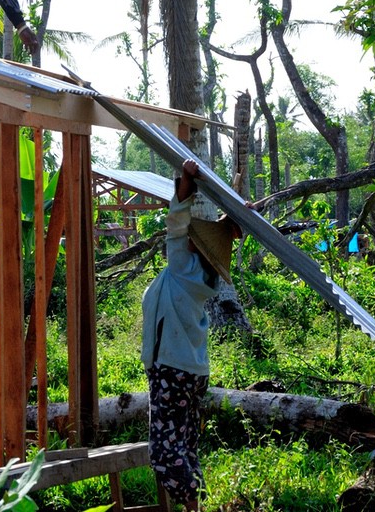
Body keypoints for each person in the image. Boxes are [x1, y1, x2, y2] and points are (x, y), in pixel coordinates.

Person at [141, 159, 242, 510]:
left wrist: (187, 180)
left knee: (164, 452)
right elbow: (179, 226)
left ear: (198, 246)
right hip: (191, 371)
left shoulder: (182, 266)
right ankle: (194, 502)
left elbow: (176, 221)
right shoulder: (205, 278)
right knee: (185, 443)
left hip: (172, 370)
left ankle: (192, 506)